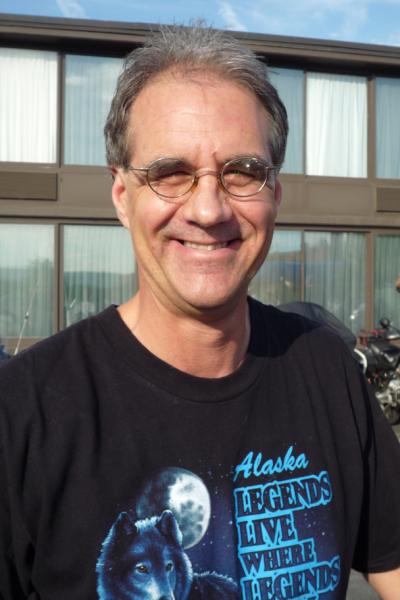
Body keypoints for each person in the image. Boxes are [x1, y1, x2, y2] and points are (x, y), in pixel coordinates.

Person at [1, 24, 400, 600]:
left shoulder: (327, 371)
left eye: (242, 172)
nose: (209, 210)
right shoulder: (22, 414)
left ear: (275, 194)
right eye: (170, 173)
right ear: (121, 195)